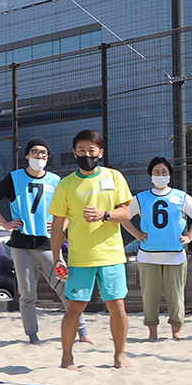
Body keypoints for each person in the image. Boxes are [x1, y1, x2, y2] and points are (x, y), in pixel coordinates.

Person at [0, 137, 93, 346]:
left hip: (49, 245)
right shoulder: (14, 178)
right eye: (34, 152)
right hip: (21, 246)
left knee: (66, 289)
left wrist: (65, 224)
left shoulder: (56, 181)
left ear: (48, 157)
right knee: (27, 294)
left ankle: (83, 332)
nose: (39, 156)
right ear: (27, 155)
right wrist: (5, 223)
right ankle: (33, 336)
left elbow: (72, 206)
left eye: (43, 153)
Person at [50, 130, 133, 370]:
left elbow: (126, 212)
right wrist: (57, 258)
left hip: (112, 255)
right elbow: (57, 227)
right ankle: (67, 358)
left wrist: (104, 215)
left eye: (92, 150)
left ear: (101, 153)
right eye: (82, 150)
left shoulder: (114, 177)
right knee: (75, 307)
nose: (87, 154)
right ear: (74, 152)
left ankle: (119, 356)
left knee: (117, 306)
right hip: (80, 258)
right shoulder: (66, 184)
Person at [122, 157, 192, 340]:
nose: (160, 175)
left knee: (175, 296)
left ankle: (177, 331)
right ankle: (152, 332)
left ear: (170, 175)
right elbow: (124, 216)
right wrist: (136, 234)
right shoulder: (141, 198)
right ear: (151, 175)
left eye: (164, 172)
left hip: (175, 255)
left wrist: (190, 236)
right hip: (148, 256)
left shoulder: (181, 196)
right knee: (150, 297)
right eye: (156, 172)